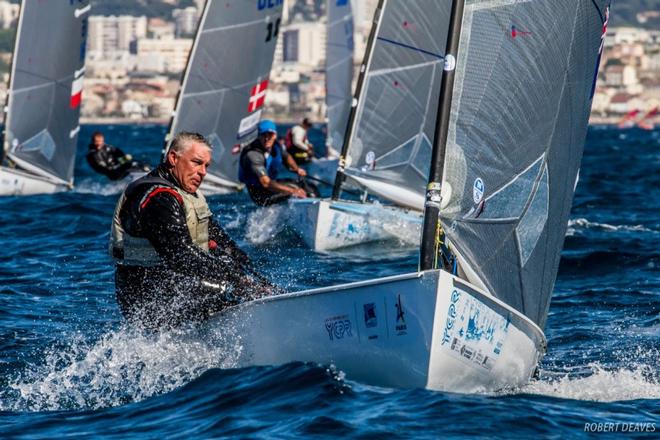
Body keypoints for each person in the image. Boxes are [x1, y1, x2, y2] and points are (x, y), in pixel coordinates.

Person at [110, 131, 275, 329]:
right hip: (146, 295)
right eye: (196, 162)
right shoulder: (158, 198)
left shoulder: (187, 194)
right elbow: (180, 256)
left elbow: (219, 240)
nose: (203, 172)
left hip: (171, 283)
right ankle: (254, 334)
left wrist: (250, 274)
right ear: (173, 158)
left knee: (237, 274)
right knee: (228, 288)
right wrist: (236, 280)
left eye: (206, 166)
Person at [239, 120, 318, 206]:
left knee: (309, 187)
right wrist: (293, 191)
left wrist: (297, 169)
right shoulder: (253, 155)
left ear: (275, 135)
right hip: (260, 194)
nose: (267, 138)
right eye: (263, 135)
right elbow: (266, 183)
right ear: (259, 136)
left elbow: (287, 157)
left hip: (271, 186)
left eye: (270, 135)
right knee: (295, 191)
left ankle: (317, 209)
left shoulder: (276, 146)